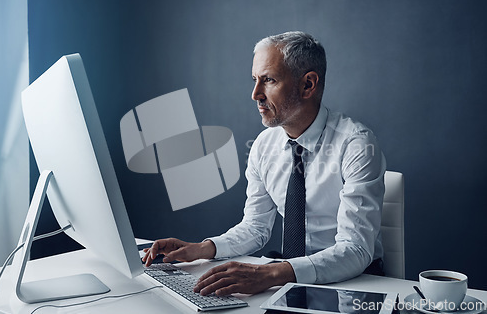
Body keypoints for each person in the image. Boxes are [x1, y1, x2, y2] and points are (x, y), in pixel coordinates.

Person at [143, 31, 386, 297]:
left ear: (308, 85)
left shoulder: (356, 145)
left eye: (268, 80)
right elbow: (256, 227)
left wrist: (270, 274)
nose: (255, 94)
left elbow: (356, 250)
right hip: (287, 275)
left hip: (355, 283)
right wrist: (202, 249)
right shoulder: (263, 145)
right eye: (255, 80)